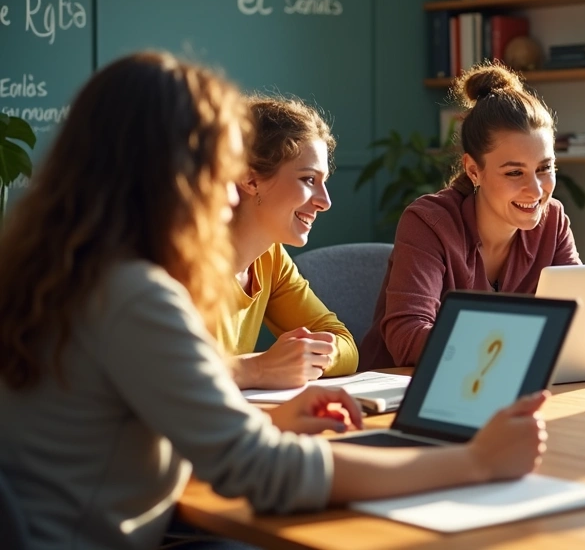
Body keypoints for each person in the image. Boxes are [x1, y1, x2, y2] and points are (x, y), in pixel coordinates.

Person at [0, 52, 549, 549]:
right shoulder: (135, 295)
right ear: (175, 177)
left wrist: (267, 420)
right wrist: (475, 462)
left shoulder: (60, 272)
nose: (231, 190)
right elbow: (261, 473)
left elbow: (149, 420)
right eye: (221, 170)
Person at [360, 62, 580, 369]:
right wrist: (510, 346)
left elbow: (580, 320)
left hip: (502, 384)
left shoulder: (553, 222)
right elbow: (406, 338)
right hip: (401, 395)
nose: (536, 190)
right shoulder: (429, 222)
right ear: (474, 170)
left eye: (545, 168)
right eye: (515, 172)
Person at [225, 97, 358, 390]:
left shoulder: (270, 257)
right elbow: (160, 374)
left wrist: (307, 356)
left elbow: (344, 344)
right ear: (250, 179)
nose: (325, 202)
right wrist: (258, 368)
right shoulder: (184, 259)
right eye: (308, 179)